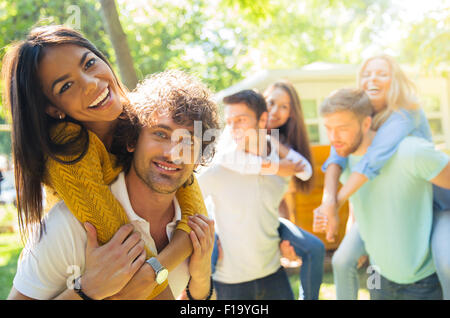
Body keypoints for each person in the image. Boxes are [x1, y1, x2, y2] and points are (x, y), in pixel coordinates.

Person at [1, 25, 209, 299]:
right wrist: (88, 292)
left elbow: (193, 206)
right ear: (53, 109)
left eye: (89, 63)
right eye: (66, 85)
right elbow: (128, 254)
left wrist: (195, 266)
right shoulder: (70, 152)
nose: (91, 83)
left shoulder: (141, 116)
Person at [315, 54, 450, 299]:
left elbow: (372, 162)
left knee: (446, 262)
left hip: (436, 200)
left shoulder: (404, 115)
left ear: (396, 81)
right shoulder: (355, 128)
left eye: (382, 73)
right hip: (382, 262)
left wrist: (337, 202)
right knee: (343, 260)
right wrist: (328, 202)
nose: (372, 78)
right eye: (366, 73)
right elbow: (336, 160)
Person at [211, 81, 325, 300]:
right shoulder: (235, 133)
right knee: (209, 261)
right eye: (271, 103)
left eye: (284, 107)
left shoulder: (279, 143)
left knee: (315, 248)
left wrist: (272, 141)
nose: (275, 111)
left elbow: (305, 171)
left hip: (269, 219)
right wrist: (276, 166)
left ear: (291, 114)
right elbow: (225, 159)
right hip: (225, 219)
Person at [198, 89, 294, 300]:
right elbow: (184, 206)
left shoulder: (279, 169)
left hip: (274, 272)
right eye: (229, 121)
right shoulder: (218, 169)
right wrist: (208, 239)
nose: (233, 128)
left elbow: (277, 203)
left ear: (262, 120)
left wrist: (287, 239)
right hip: (231, 282)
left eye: (240, 120)